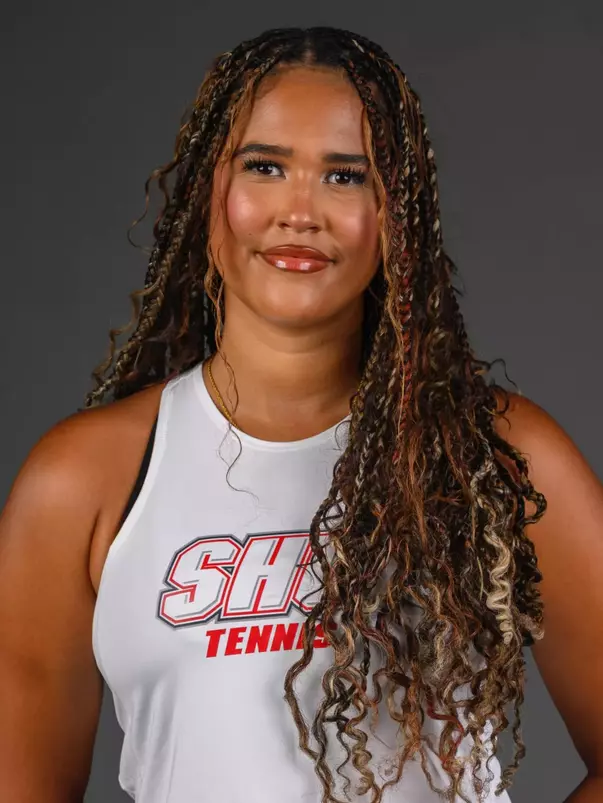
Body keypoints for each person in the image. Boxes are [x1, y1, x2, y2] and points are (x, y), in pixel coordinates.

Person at [1, 24, 602, 803]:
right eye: (264, 166)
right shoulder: (83, 480)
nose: (299, 211)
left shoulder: (491, 454)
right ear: (208, 195)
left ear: (396, 215)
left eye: (345, 176)